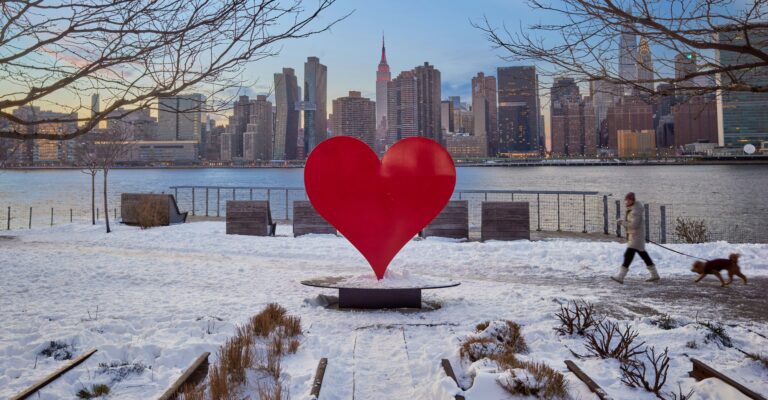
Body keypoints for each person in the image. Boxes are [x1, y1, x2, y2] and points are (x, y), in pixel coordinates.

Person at [611, 192, 660, 284]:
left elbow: (634, 225)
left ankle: (620, 276)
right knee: (643, 255)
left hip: (636, 237)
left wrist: (623, 223)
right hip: (635, 236)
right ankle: (655, 275)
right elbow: (631, 222)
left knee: (628, 255)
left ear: (632, 200)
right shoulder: (632, 209)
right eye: (626, 200)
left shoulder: (636, 210)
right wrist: (623, 221)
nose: (626, 202)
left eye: (628, 200)